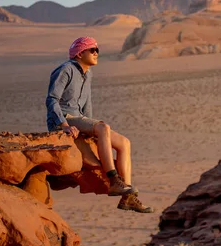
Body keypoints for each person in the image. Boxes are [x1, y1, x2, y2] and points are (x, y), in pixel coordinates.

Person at [46, 36, 153, 213]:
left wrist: (91, 129)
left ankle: (128, 198)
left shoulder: (88, 74)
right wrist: (64, 125)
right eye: (92, 50)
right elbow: (51, 100)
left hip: (79, 118)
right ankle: (114, 180)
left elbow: (87, 108)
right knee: (104, 127)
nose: (96, 53)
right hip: (64, 118)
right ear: (80, 53)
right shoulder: (66, 70)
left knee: (124, 143)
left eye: (98, 50)